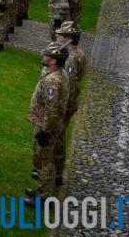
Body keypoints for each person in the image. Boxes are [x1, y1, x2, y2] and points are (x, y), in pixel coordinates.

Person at [24, 42, 70, 207]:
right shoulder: (59, 74)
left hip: (46, 126)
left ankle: (42, 197)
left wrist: (45, 130)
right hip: (48, 123)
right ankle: (40, 190)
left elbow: (51, 109)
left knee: (43, 161)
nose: (43, 56)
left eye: (46, 55)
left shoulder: (52, 81)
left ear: (53, 61)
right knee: (43, 159)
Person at [53, 21, 87, 188]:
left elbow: (69, 84)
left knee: (57, 137)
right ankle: (51, 170)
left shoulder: (72, 58)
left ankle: (55, 173)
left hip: (65, 104)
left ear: (69, 39)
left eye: (60, 34)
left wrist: (60, 106)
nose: (57, 36)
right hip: (67, 102)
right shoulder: (75, 53)